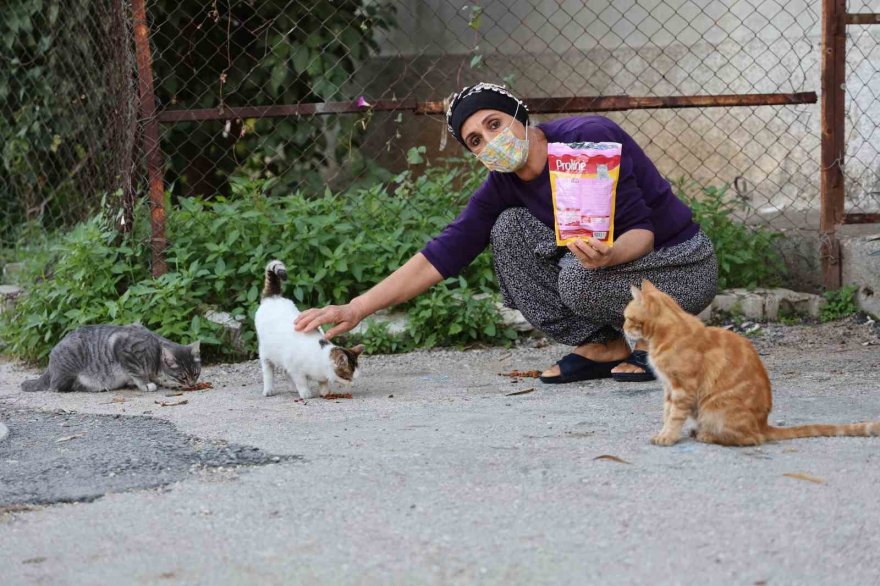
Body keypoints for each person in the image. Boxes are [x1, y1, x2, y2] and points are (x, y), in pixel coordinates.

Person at [295, 82, 718, 384]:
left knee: (578, 277)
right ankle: (602, 346)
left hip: (679, 264)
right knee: (508, 228)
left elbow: (642, 233)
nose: (489, 141)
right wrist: (357, 308)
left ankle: (663, 337)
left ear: (520, 115)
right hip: (615, 271)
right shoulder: (502, 184)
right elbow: (442, 254)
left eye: (494, 124)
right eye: (475, 140)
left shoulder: (586, 141)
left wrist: (608, 256)